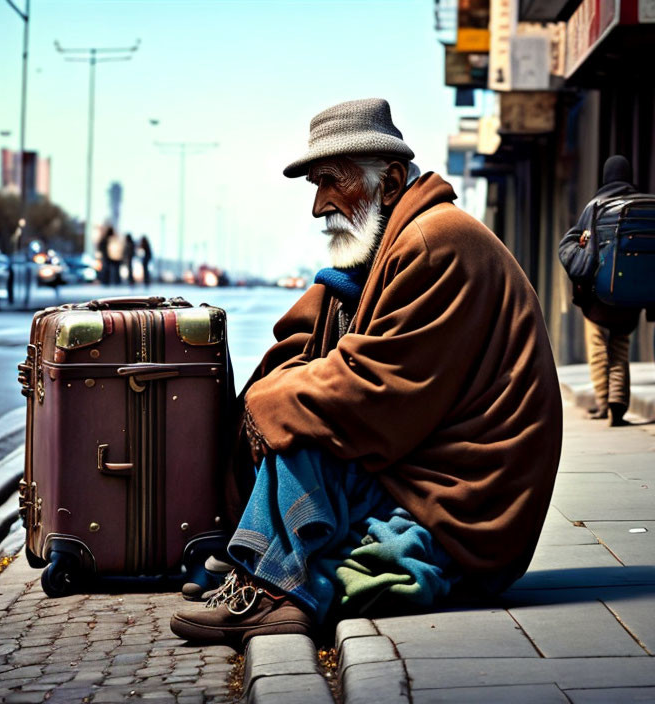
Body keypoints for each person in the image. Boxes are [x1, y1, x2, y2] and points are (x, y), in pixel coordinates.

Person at [170, 98, 563, 646]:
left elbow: (373, 395)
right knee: (293, 395)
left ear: (392, 178)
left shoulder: (436, 242)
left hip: (467, 499)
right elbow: (307, 347)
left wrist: (272, 402)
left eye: (331, 182)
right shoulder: (386, 247)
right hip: (421, 463)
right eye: (314, 184)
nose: (317, 206)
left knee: (305, 417)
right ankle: (262, 566)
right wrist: (281, 380)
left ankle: (277, 590)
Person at [558, 156, 643, 427]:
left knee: (597, 347)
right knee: (620, 347)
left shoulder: (595, 207)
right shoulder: (640, 205)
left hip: (598, 295)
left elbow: (572, 242)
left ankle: (603, 401)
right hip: (630, 294)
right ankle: (617, 404)